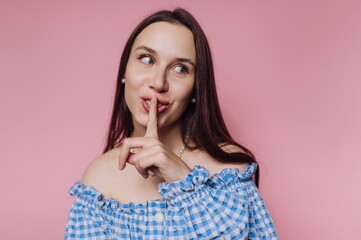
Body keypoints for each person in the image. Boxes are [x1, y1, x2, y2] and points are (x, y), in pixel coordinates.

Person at [65, 8, 277, 239]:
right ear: (124, 70)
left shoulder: (230, 171)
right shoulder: (98, 181)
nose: (158, 82)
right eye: (147, 59)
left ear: (196, 89)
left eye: (180, 69)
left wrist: (182, 178)